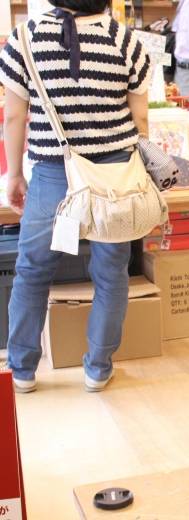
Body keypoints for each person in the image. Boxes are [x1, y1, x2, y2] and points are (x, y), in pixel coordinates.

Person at [0, 0, 151, 392]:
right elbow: (140, 120)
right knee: (111, 274)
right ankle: (98, 369)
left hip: (53, 174)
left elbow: (14, 117)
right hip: (114, 177)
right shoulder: (125, 40)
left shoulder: (26, 37)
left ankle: (22, 371)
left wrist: (14, 174)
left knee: (33, 271)